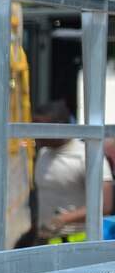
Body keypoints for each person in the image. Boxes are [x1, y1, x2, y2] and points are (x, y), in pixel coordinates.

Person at [30, 100, 114, 243]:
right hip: (46, 241)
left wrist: (62, 219)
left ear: (60, 126)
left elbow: (105, 205)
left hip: (76, 242)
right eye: (34, 127)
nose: (37, 135)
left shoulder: (87, 157)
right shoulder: (43, 154)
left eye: (43, 128)